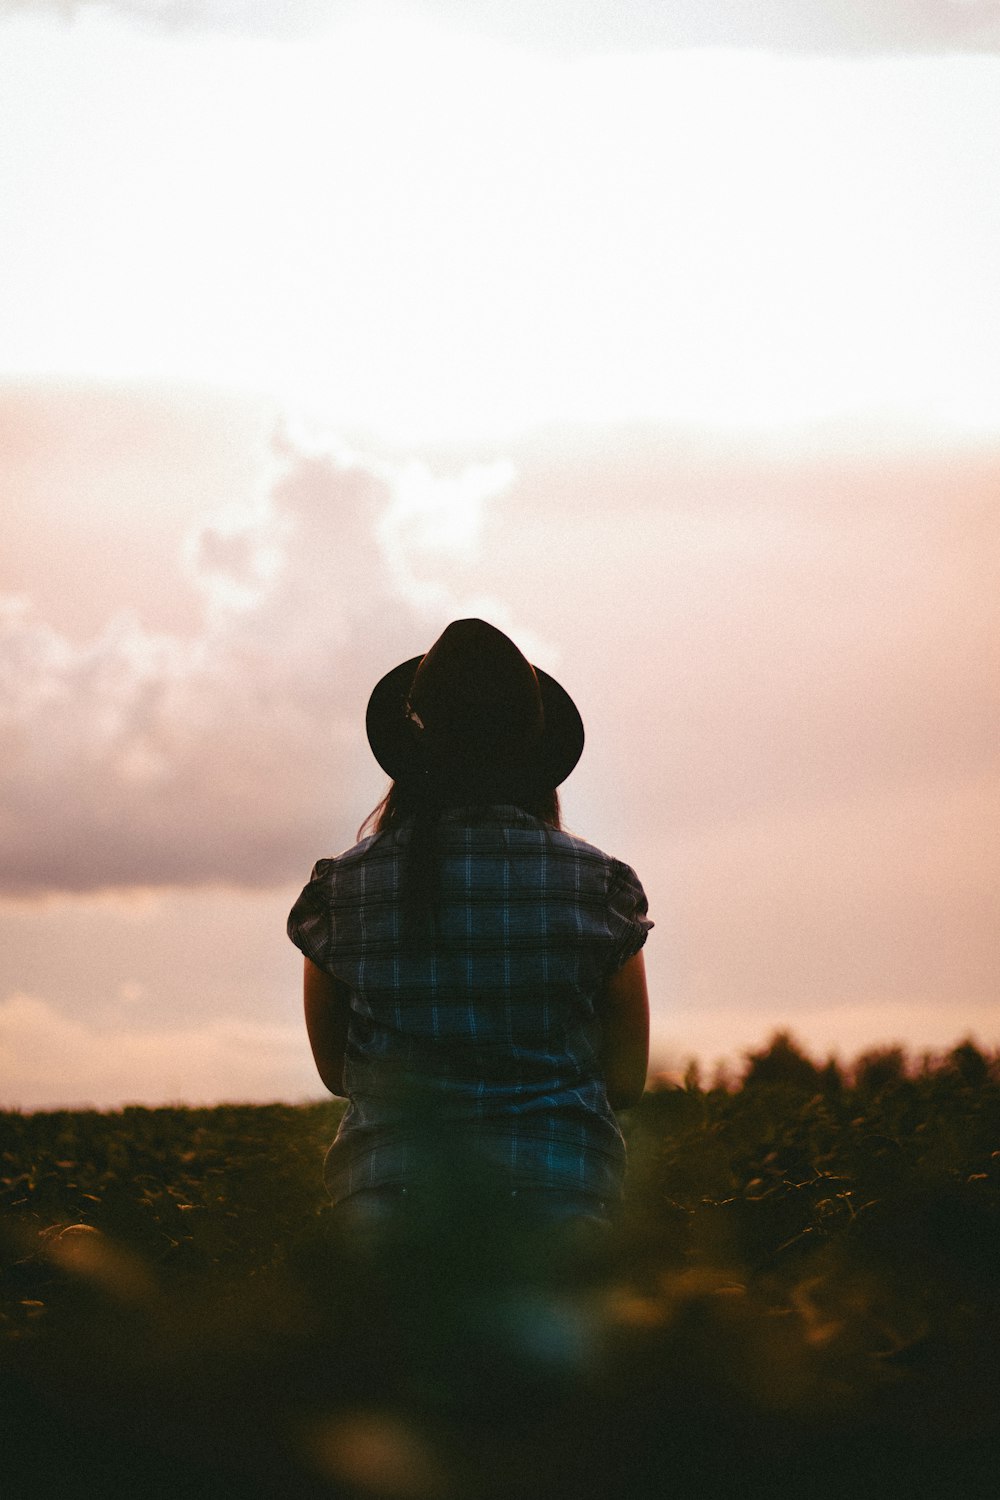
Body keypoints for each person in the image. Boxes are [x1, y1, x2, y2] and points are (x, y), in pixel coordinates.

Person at [287, 619, 652, 1228]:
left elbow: (335, 1073)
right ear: (534, 749)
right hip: (560, 1205)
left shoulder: (342, 890)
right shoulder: (600, 886)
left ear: (413, 747)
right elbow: (627, 1080)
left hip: (390, 1208)